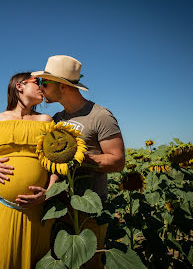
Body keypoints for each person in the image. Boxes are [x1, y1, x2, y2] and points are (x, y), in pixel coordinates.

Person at [15, 55, 125, 269]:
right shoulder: (57, 119)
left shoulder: (100, 116)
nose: (40, 87)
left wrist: (77, 157)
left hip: (89, 210)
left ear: (63, 86)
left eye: (44, 83)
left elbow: (118, 161)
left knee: (89, 264)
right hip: (58, 208)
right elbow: (52, 165)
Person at [0, 72, 59, 269]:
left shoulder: (46, 121)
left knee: (37, 257)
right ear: (19, 86)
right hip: (2, 204)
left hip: (39, 206)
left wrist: (48, 192)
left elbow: (57, 163)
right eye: (36, 82)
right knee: (1, 258)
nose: (42, 87)